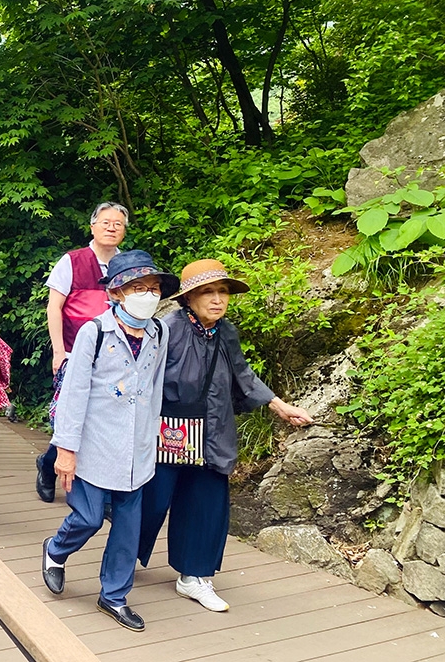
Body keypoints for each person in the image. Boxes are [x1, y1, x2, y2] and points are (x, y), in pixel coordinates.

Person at [138, 259, 314, 612]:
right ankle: (123, 559)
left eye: (222, 292)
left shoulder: (226, 331)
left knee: (206, 502)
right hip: (166, 429)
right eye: (208, 292)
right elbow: (142, 377)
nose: (218, 299)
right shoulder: (165, 328)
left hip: (212, 429)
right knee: (151, 500)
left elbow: (242, 374)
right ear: (188, 298)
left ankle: (194, 576)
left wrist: (279, 405)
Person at [41, 250, 176, 633]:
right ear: (116, 292)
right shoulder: (94, 332)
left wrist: (155, 437)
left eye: (152, 288)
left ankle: (114, 596)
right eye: (137, 287)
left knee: (128, 527)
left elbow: (154, 387)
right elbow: (74, 391)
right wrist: (65, 449)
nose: (147, 295)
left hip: (136, 447)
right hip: (93, 442)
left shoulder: (158, 331)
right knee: (87, 516)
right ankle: (55, 550)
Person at [37, 202, 129, 502]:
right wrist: (58, 351)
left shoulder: (128, 265)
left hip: (115, 356)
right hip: (75, 352)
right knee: (67, 416)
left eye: (118, 223)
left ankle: (96, 488)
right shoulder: (72, 261)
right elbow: (54, 306)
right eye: (105, 222)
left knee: (103, 420)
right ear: (92, 227)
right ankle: (50, 464)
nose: (111, 227)